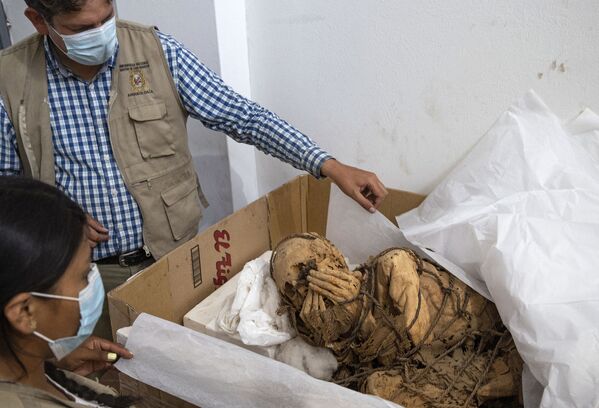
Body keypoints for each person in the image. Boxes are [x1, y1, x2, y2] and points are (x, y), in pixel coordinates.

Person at [0, 0, 388, 339]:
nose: (101, 33)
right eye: (82, 28)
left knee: (179, 367)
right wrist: (56, 218)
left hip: (175, 258)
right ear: (38, 20)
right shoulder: (10, 79)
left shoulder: (156, 51)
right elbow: (7, 189)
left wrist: (328, 165)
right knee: (106, 373)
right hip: (84, 277)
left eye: (107, 16)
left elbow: (244, 116)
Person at [0, 176, 136, 407]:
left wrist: (50, 356)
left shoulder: (34, 368)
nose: (92, 285)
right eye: (84, 276)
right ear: (24, 313)